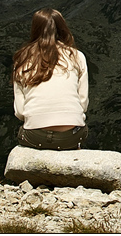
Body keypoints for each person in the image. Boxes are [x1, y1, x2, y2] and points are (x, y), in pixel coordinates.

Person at [12, 8, 89, 150]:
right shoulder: (77, 56)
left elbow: (20, 112)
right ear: (62, 28)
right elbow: (82, 104)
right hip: (71, 136)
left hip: (35, 136)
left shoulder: (22, 59)